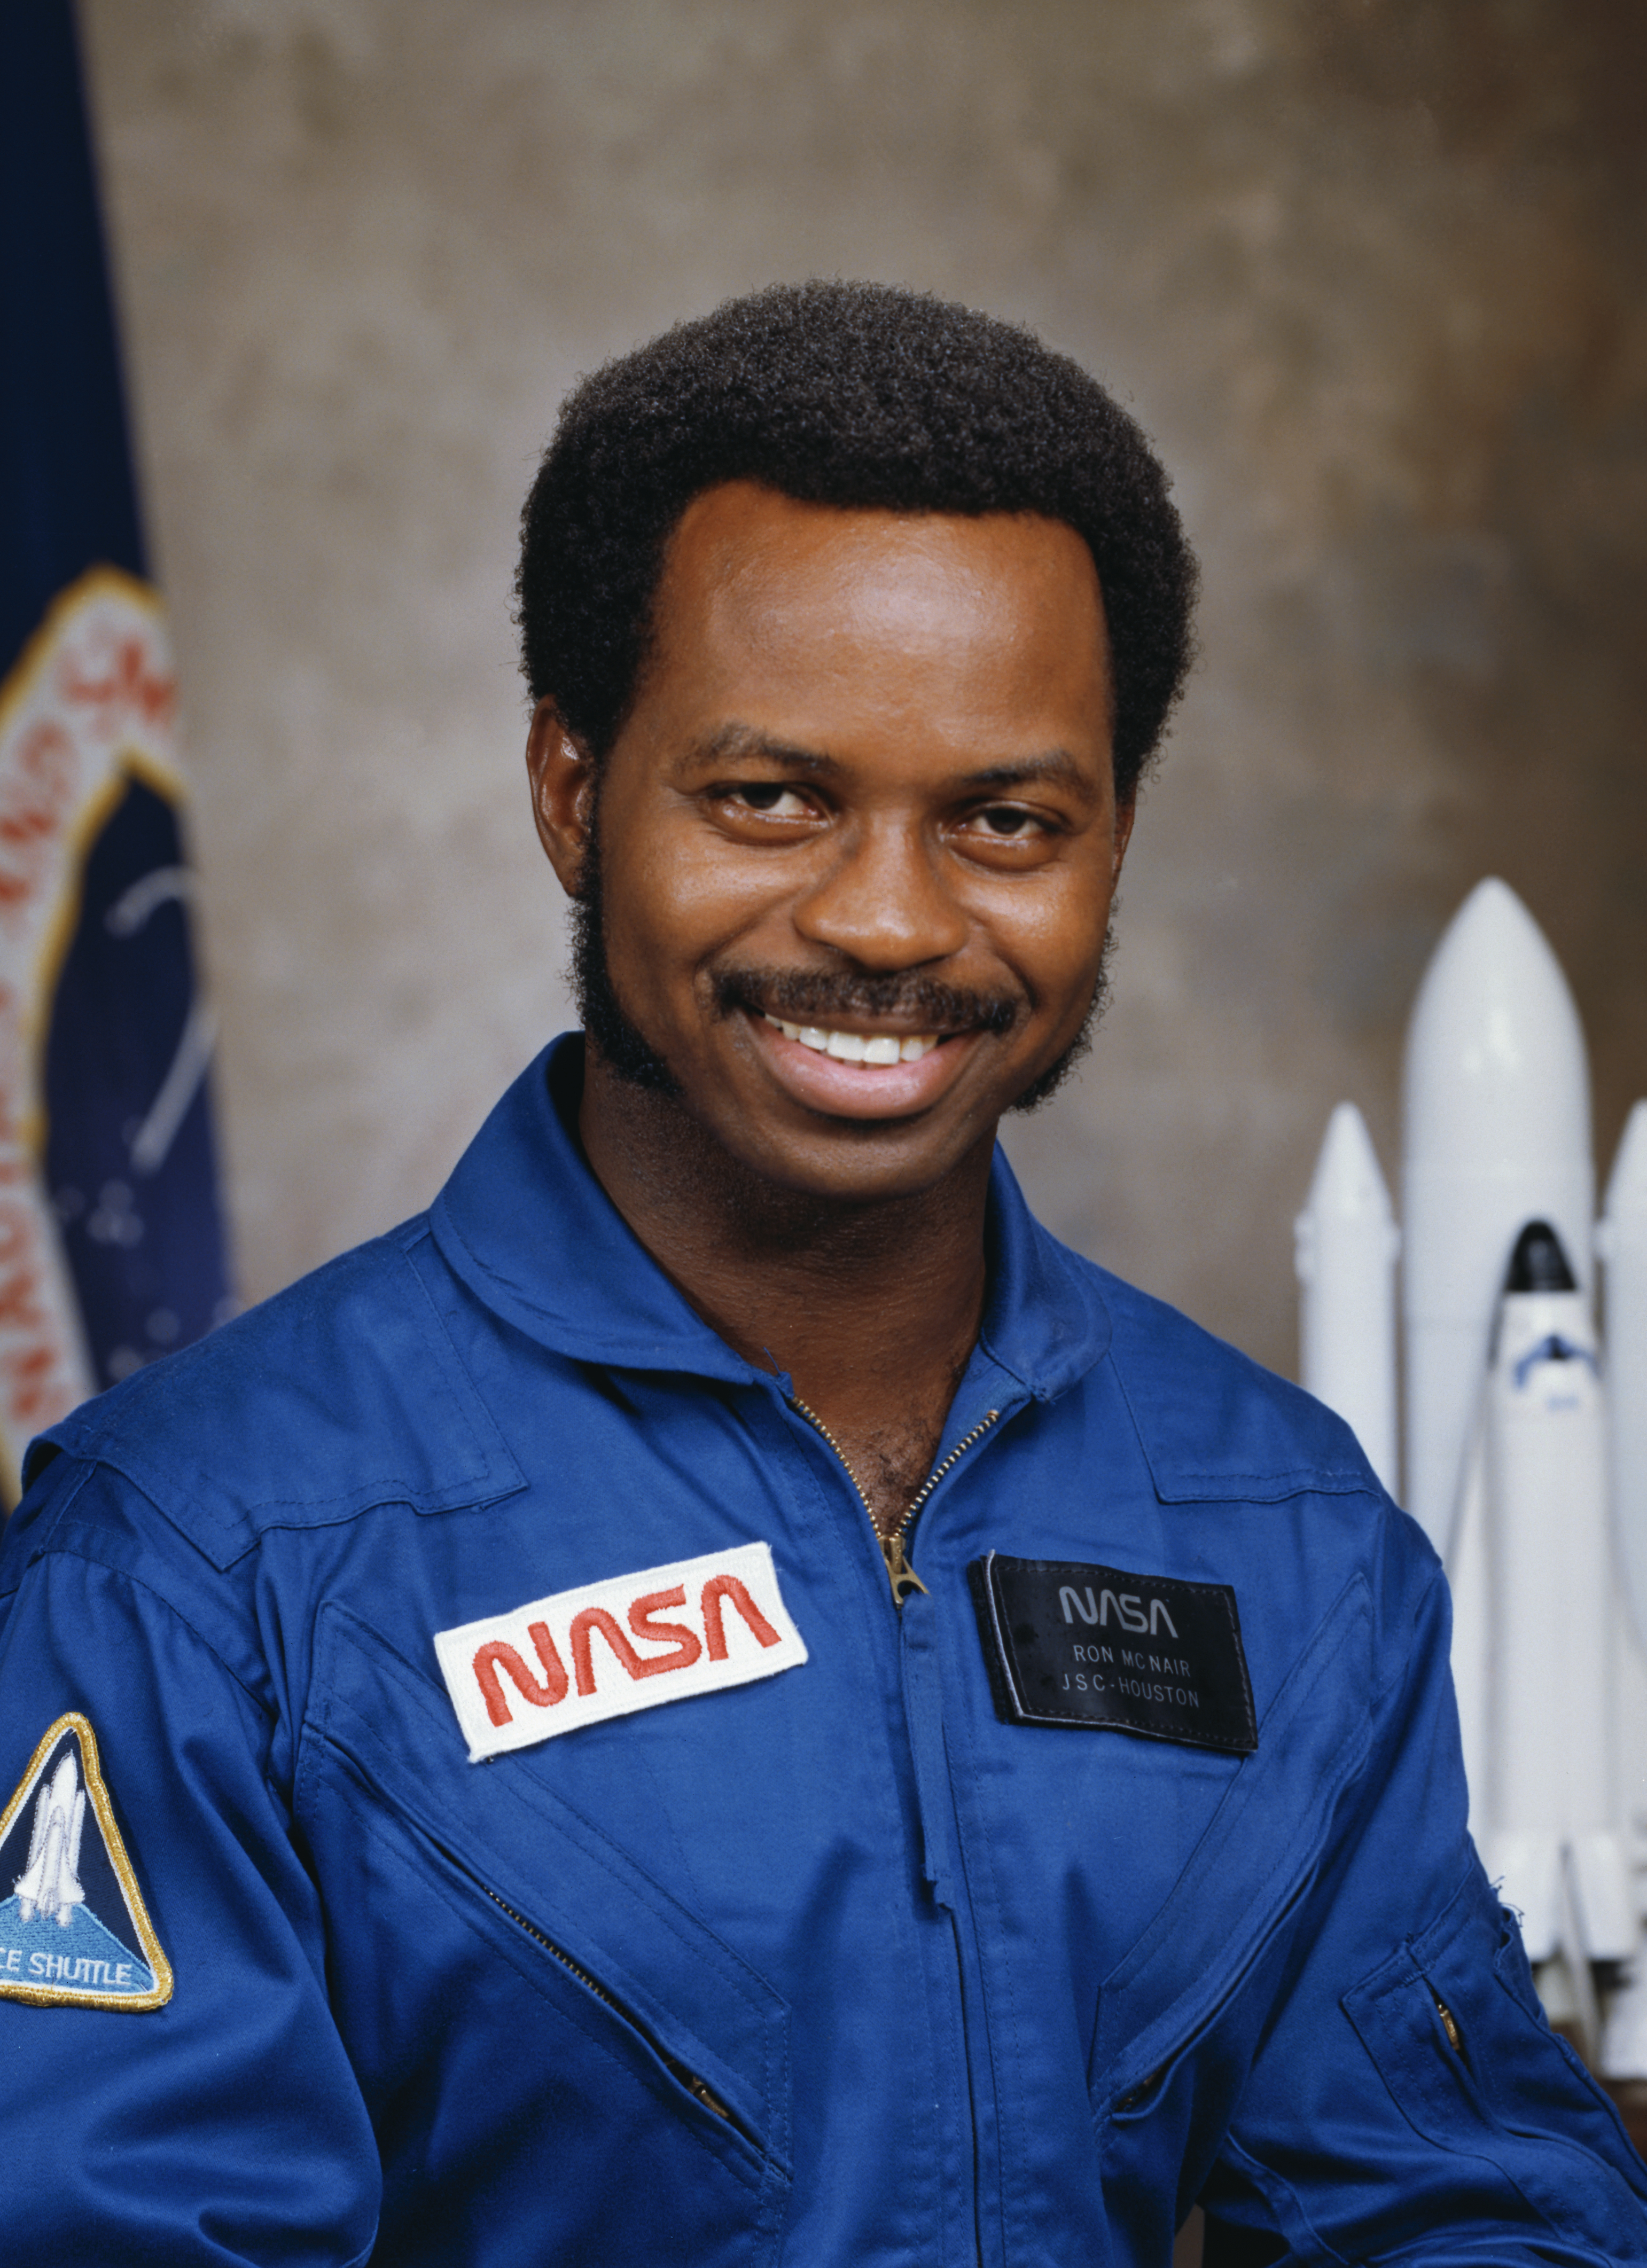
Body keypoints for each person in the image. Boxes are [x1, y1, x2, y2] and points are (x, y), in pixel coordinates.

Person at [0, 280, 1641, 2268]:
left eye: (1004, 820)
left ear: (1113, 841)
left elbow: (1469, 2203)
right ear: (572, 792)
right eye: (769, 798)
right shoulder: (200, 1558)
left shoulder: (1280, 1534)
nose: (886, 921)